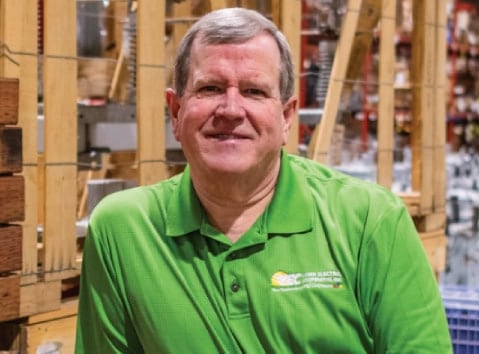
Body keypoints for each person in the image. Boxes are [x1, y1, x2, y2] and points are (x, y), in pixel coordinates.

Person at [75, 7, 453, 353]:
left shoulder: (371, 223)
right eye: (210, 88)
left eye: (254, 91)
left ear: (287, 116)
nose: (231, 109)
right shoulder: (123, 232)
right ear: (175, 111)